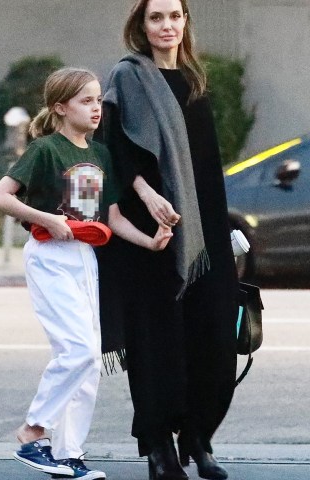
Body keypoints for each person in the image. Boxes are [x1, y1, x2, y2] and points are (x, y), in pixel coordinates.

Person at [0, 67, 173, 480]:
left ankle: (68, 454)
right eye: (85, 101)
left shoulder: (100, 154)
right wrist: (47, 220)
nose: (95, 108)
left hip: (85, 258)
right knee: (78, 351)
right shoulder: (46, 150)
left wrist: (149, 241)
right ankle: (33, 431)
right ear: (60, 108)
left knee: (88, 361)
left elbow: (110, 217)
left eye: (97, 101)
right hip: (50, 256)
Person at [95, 1, 239, 479]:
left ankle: (198, 440)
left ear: (185, 23)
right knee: (156, 340)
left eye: (174, 16)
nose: (167, 25)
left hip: (203, 229)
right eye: (156, 17)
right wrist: (147, 193)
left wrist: (222, 231)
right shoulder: (127, 77)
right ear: (141, 25)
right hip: (148, 230)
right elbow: (114, 148)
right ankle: (158, 446)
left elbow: (207, 166)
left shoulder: (196, 82)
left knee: (211, 336)